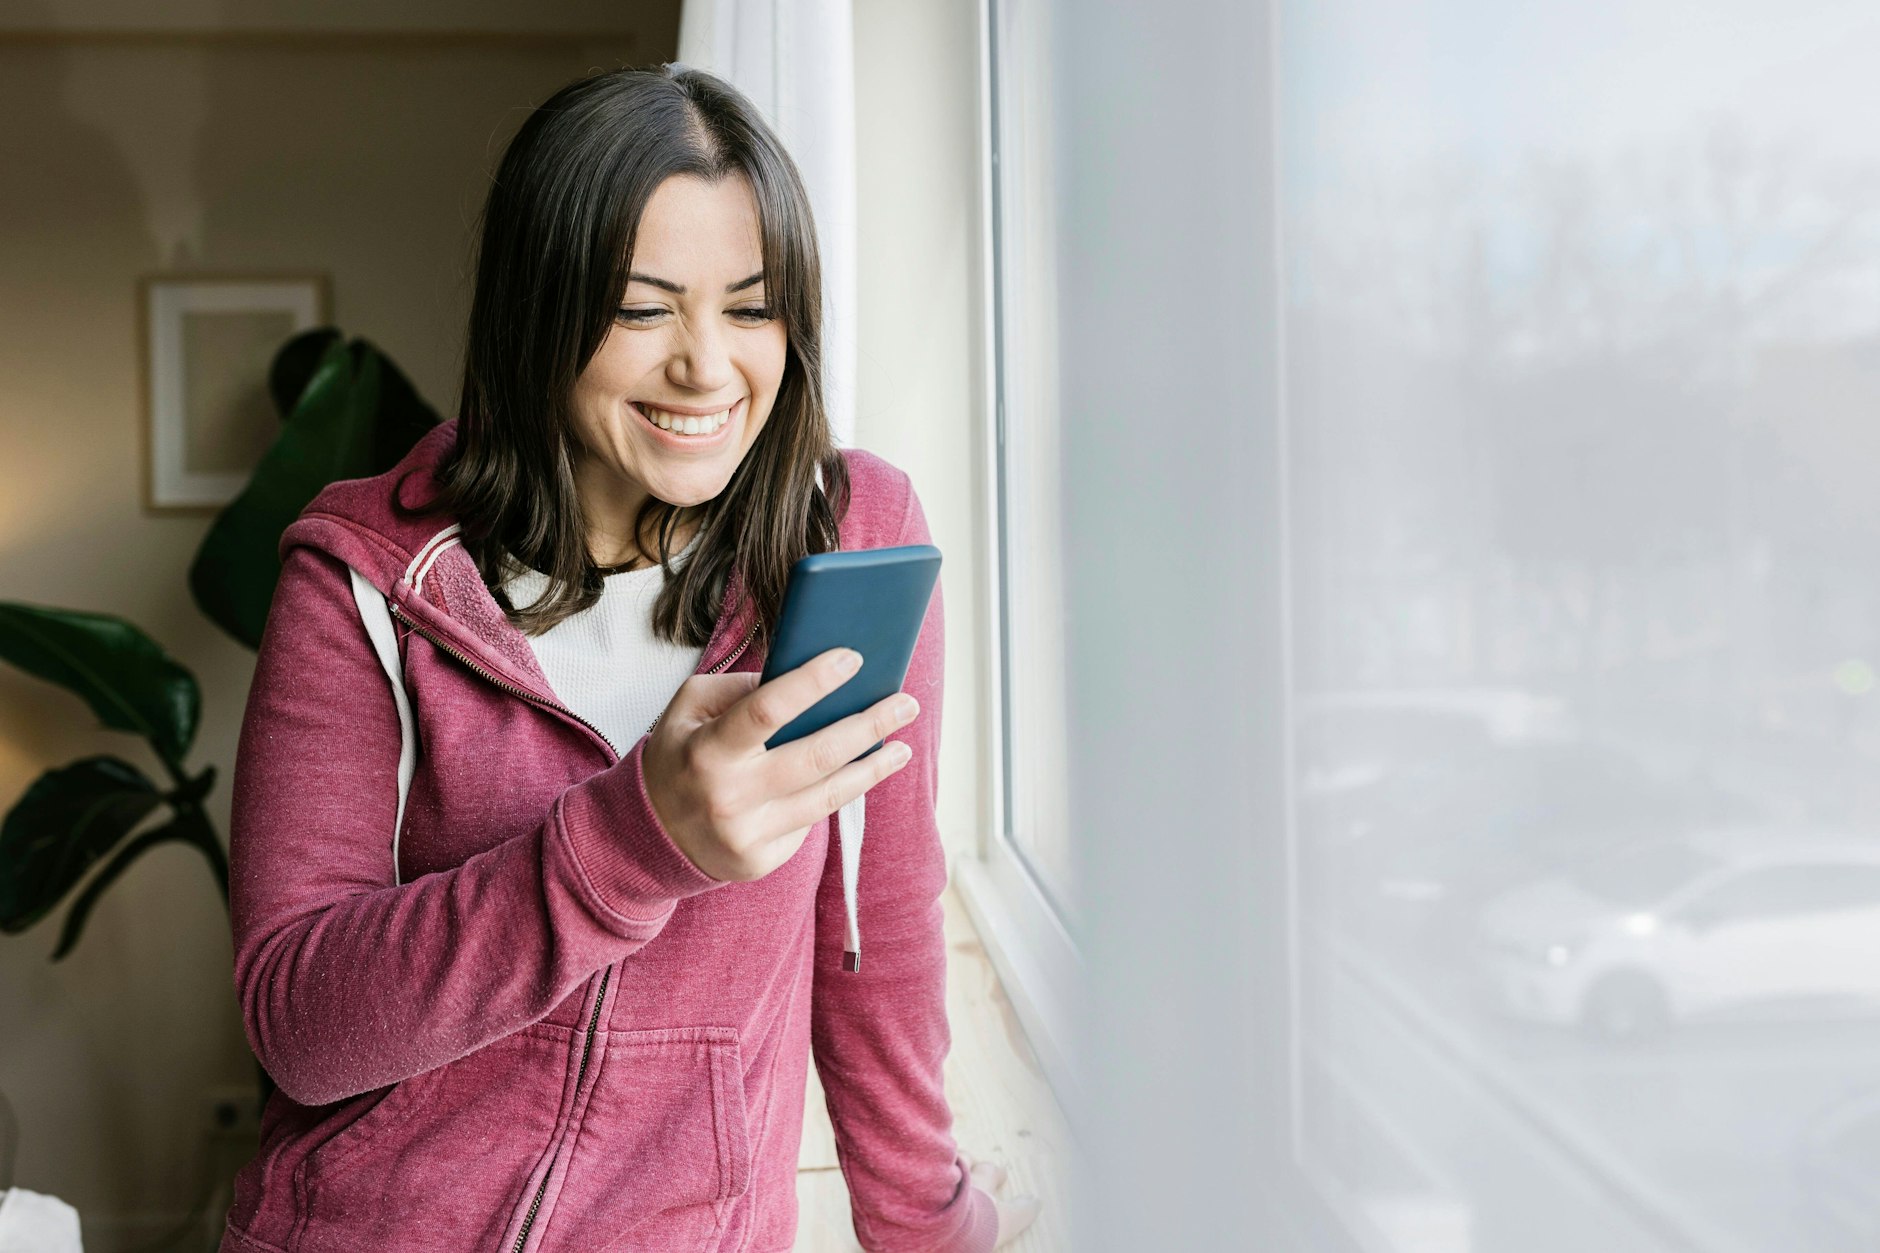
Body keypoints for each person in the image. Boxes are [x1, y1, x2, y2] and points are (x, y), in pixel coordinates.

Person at [219, 63, 1042, 1252]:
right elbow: (299, 1021)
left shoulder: (850, 538)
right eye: (642, 310)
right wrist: (634, 838)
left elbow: (878, 934)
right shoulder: (367, 577)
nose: (706, 367)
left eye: (751, 309)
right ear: (538, 314)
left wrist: (925, 1226)